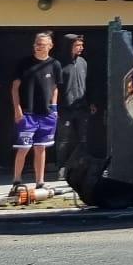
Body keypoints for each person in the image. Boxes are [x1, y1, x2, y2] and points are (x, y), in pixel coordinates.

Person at [9, 32, 61, 194]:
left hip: (46, 114)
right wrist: (17, 109)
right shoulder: (24, 63)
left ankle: (40, 182)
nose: (39, 46)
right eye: (37, 43)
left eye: (42, 44)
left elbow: (55, 87)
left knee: (41, 148)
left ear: (50, 46)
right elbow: (15, 88)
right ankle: (17, 181)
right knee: (24, 148)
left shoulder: (55, 64)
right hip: (27, 113)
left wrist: (54, 108)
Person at [53, 33, 92, 170]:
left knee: (83, 139)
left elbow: (88, 83)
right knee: (63, 140)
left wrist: (91, 102)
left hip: (82, 106)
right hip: (64, 108)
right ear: (69, 46)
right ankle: (62, 167)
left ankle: (82, 165)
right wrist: (54, 107)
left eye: (82, 45)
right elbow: (54, 87)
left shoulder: (83, 62)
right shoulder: (58, 64)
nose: (81, 48)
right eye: (77, 45)